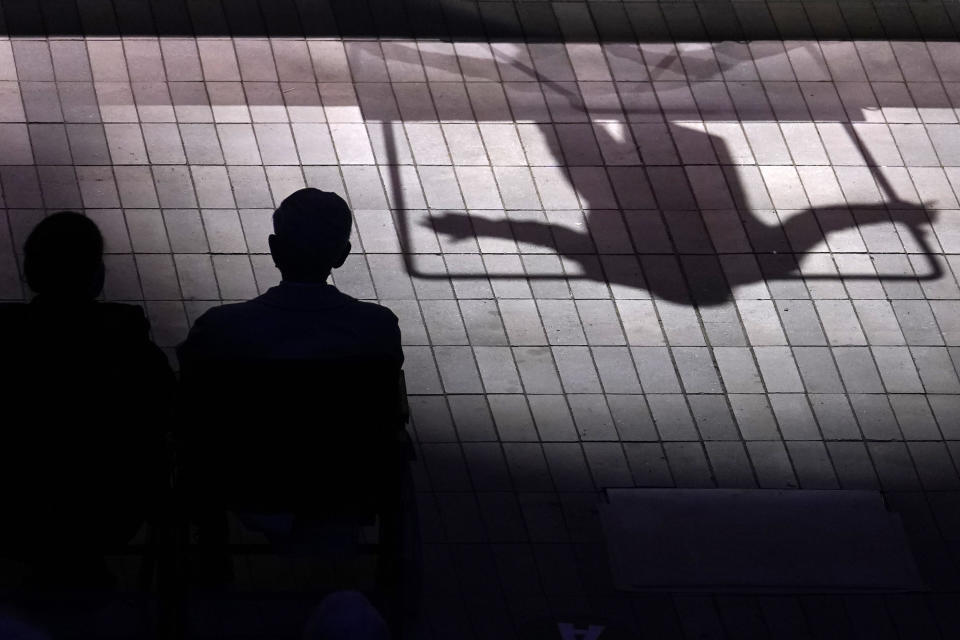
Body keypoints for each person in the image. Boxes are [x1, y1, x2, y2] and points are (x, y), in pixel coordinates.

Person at [175, 188, 405, 574]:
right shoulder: (376, 328)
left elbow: (189, 398)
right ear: (342, 255)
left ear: (274, 248)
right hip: (343, 481)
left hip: (246, 479)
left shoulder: (220, 329)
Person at [0, 212, 175, 588]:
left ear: (30, 273)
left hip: (15, 507)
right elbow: (164, 418)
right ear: (96, 278)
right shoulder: (131, 349)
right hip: (110, 510)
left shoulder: (10, 344)